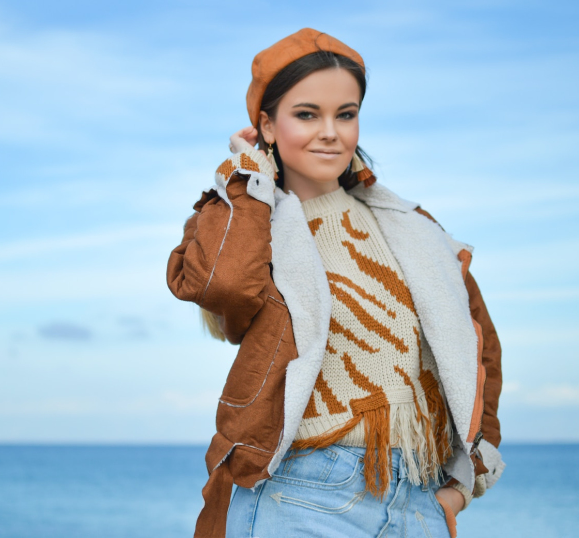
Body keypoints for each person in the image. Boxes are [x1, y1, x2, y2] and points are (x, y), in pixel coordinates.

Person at [166, 28, 504, 538]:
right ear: (267, 125)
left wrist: (464, 483)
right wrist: (246, 175)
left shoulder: (412, 228)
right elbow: (226, 287)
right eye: (306, 114)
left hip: (417, 497)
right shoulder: (252, 218)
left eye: (345, 114)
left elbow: (480, 352)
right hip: (302, 493)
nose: (331, 131)